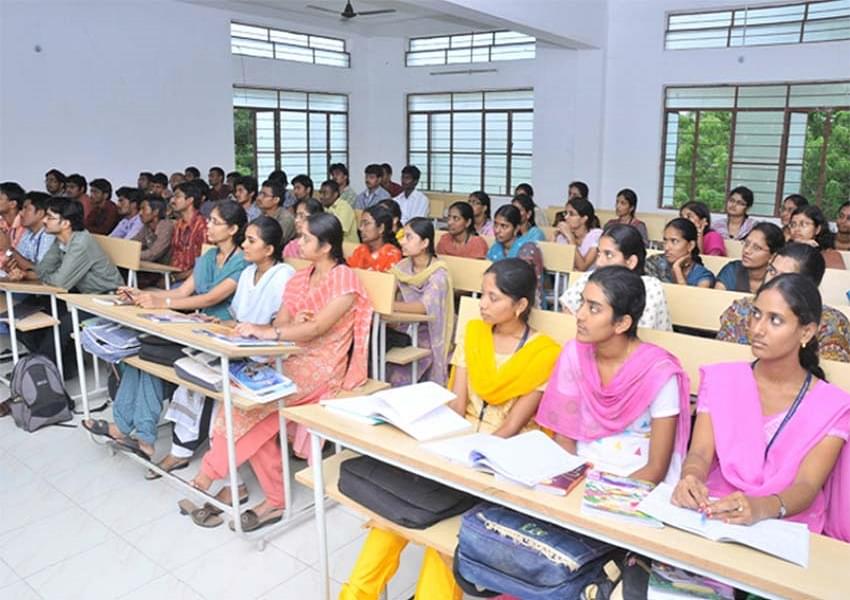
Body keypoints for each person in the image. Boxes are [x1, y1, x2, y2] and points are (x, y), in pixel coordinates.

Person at [340, 259, 561, 600]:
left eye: (493, 298)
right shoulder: (473, 333)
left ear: (520, 305)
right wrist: (436, 443)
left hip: (496, 463)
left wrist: (469, 460)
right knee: (391, 517)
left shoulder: (544, 353)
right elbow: (457, 407)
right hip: (456, 443)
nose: (483, 304)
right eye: (482, 294)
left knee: (444, 539)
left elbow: (512, 427)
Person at [674, 273, 850, 543]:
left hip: (785, 520)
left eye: (775, 320)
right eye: (756, 314)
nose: (757, 329)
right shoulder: (723, 380)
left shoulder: (832, 406)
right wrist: (691, 477)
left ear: (806, 332)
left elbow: (807, 486)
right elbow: (700, 452)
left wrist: (761, 507)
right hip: (714, 507)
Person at [97, 201, 250, 469]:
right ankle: (125, 427)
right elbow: (180, 293)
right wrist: (143, 295)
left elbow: (210, 297)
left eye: (215, 222)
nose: (209, 227)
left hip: (217, 333)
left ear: (233, 229)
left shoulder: (242, 263)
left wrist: (161, 304)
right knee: (139, 355)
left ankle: (142, 436)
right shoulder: (207, 258)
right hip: (193, 327)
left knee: (150, 359)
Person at [175, 217, 298, 529]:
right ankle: (256, 492)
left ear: (270, 249)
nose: (244, 245)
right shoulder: (246, 273)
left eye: (252, 241)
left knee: (241, 417)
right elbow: (240, 321)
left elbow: (279, 329)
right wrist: (221, 325)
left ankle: (209, 474)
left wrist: (248, 334)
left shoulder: (285, 275)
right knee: (234, 415)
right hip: (241, 352)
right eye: (245, 239)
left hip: (271, 357)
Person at [234, 212, 373, 463]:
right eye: (300, 237)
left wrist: (269, 332)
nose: (299, 243)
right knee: (242, 396)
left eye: (306, 239)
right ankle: (253, 480)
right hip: (292, 353)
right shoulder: (301, 276)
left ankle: (221, 475)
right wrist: (286, 326)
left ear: (326, 246)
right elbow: (283, 322)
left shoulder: (344, 277)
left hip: (324, 364)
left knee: (254, 401)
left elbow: (316, 328)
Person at [538, 266, 692, 485]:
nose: (579, 315)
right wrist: (569, 484)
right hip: (578, 473)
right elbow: (565, 438)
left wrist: (604, 494)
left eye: (593, 308)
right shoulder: (574, 355)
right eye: (582, 302)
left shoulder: (658, 372)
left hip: (634, 483)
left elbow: (656, 468)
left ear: (622, 323)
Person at [10, 198, 123, 376]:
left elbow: (60, 282)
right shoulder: (60, 240)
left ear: (66, 223)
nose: (45, 220)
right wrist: (27, 274)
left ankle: (42, 374)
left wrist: (46, 275)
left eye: (50, 216)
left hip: (107, 299)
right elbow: (43, 269)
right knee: (24, 313)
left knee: (63, 323)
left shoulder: (81, 243)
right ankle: (61, 365)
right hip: (82, 296)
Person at [718, 243, 850, 363]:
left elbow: (830, 378)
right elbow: (721, 359)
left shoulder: (831, 324)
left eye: (785, 277)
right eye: (771, 271)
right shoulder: (741, 310)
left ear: (810, 286)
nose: (773, 281)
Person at [560, 224, 673, 331]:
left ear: (631, 262)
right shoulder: (589, 279)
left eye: (609, 255)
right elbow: (567, 319)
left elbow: (642, 337)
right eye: (599, 254)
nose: (599, 262)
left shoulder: (649, 289)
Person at [388, 218, 453, 386]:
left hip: (428, 333)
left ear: (424, 243)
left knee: (397, 377)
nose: (402, 241)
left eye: (409, 237)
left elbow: (423, 308)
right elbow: (386, 289)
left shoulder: (438, 274)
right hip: (404, 327)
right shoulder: (402, 267)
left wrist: (389, 305)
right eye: (403, 236)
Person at [487, 205, 544, 306]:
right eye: (495, 225)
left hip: (524, 302)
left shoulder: (527, 249)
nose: (497, 230)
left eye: (504, 226)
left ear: (516, 228)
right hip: (497, 298)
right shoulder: (494, 249)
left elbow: (525, 286)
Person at [646, 218, 715, 288]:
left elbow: (690, 298)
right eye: (665, 241)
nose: (666, 248)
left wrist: (677, 270)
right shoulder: (654, 263)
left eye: (674, 241)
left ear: (690, 245)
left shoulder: (703, 277)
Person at [715, 222, 784, 292]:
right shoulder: (732, 271)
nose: (747, 250)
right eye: (746, 244)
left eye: (756, 248)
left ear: (772, 256)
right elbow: (718, 298)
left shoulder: (780, 281)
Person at [6, 192, 55, 273]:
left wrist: (7, 247)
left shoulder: (48, 235)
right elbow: (17, 261)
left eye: (26, 209)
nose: (20, 213)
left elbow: (41, 271)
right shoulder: (28, 233)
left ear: (40, 213)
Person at [170, 182, 208, 282]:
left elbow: (207, 263)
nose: (172, 200)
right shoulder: (178, 224)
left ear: (190, 200)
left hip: (194, 280)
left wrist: (174, 278)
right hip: (174, 276)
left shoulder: (202, 226)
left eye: (177, 197)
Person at [347, 204, 402, 271]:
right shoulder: (361, 250)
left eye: (366, 224)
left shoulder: (392, 255)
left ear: (381, 228)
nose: (361, 228)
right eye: (361, 224)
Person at [790, 204, 845, 270]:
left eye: (804, 224)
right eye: (793, 224)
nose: (797, 229)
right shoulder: (784, 251)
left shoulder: (830, 255)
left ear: (817, 229)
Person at [555, 196, 603, 271]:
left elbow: (582, 267)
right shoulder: (562, 236)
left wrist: (570, 237)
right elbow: (552, 263)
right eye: (566, 213)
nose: (566, 217)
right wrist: (554, 234)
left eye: (571, 214)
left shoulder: (596, 235)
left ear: (584, 219)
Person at [133, 196, 174, 264]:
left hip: (166, 271)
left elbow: (153, 253)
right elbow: (133, 242)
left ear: (155, 212)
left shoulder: (166, 226)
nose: (140, 213)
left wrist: (130, 254)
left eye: (144, 209)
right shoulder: (147, 227)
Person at [257, 179, 296, 247]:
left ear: (276, 200)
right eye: (260, 193)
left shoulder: (286, 218)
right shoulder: (263, 215)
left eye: (264, 195)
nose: (259, 198)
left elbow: (276, 242)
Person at [319, 179, 358, 243]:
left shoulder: (345, 207)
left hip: (348, 247)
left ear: (335, 194)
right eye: (320, 193)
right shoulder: (324, 208)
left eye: (325, 193)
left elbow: (338, 231)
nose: (321, 196)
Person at [0, 182, 25, 256]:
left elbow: (19, 259)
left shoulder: (24, 225)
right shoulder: (2, 223)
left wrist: (6, 246)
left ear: (13, 204)